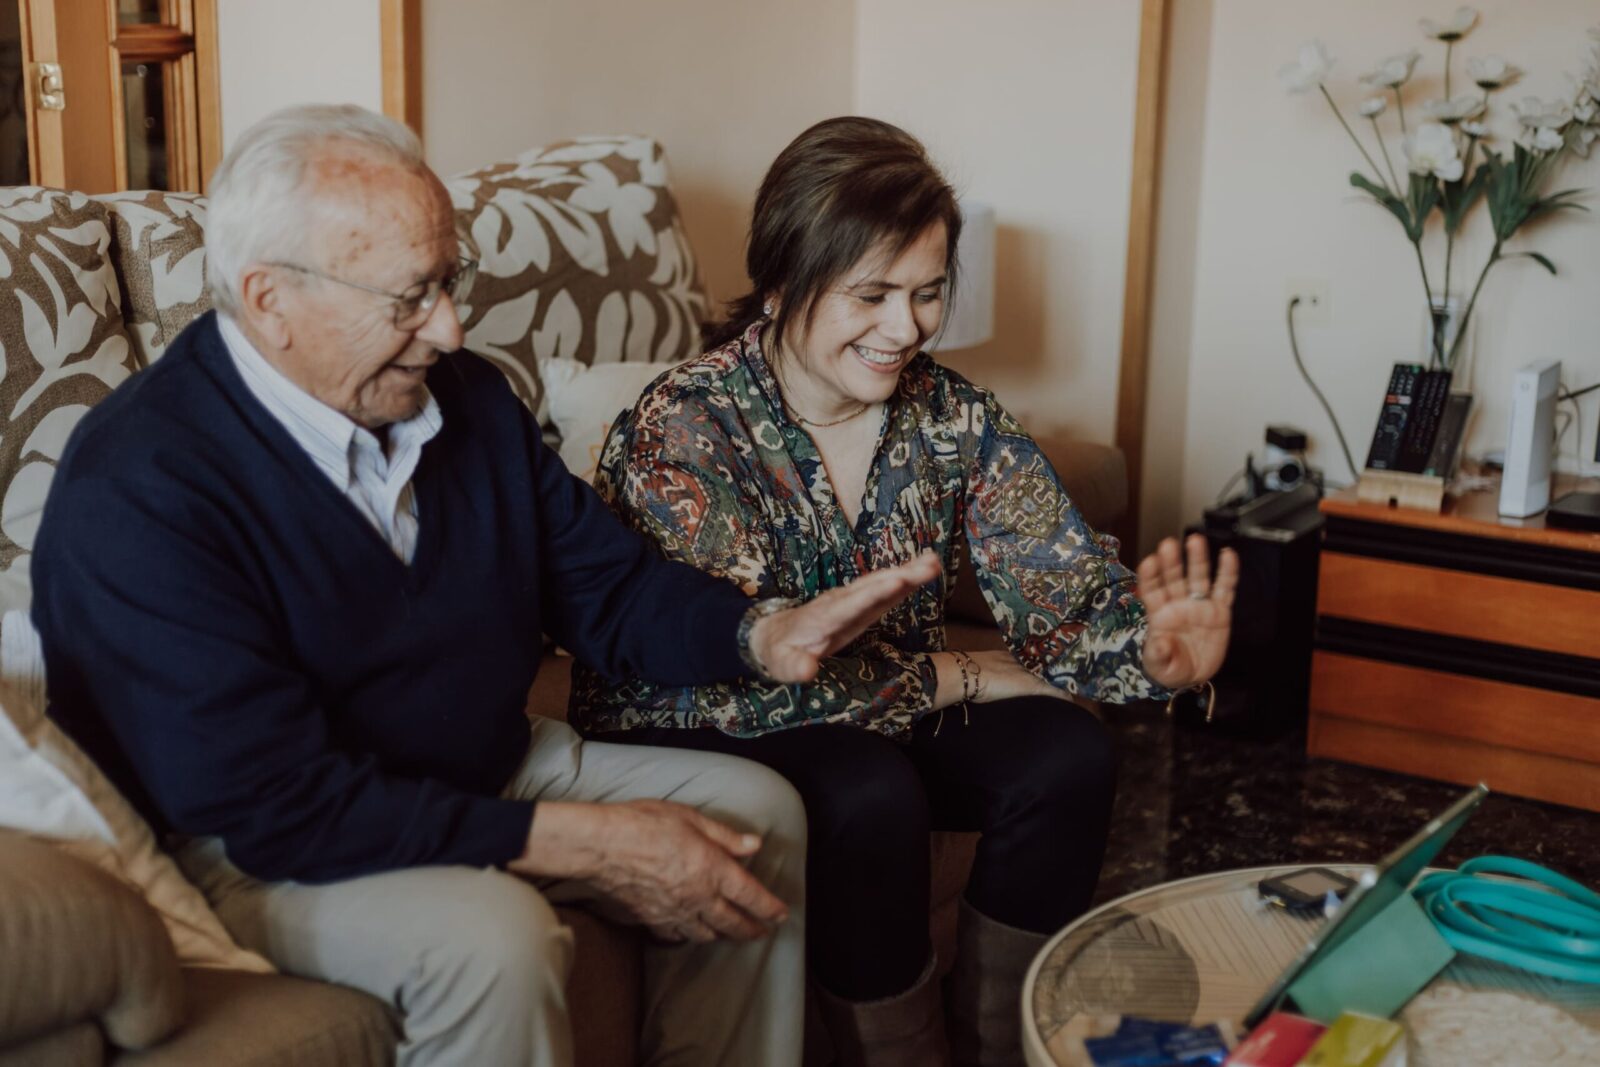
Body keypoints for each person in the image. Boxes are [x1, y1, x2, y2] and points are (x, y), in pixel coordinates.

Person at [31, 104, 942, 1067]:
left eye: (448, 281)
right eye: (409, 297)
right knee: (494, 942)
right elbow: (273, 803)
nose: (450, 326)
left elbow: (608, 587)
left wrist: (762, 634)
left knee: (758, 819)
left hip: (475, 762)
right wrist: (582, 841)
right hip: (252, 846)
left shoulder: (460, 401)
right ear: (269, 301)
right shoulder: (142, 486)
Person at [569, 116, 1239, 1067]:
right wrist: (961, 674)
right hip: (698, 709)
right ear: (782, 282)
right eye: (872, 294)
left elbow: (1062, 590)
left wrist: (1150, 649)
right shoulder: (685, 424)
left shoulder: (949, 414)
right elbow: (727, 662)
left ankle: (1001, 1050)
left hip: (862, 703)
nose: (906, 327)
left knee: (1067, 754)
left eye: (927, 294)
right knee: (867, 788)